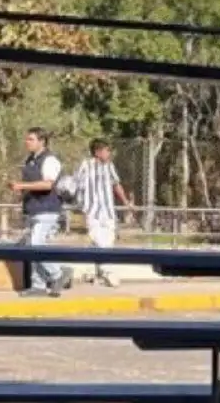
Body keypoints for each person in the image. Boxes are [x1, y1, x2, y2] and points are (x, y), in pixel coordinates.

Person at [9, 127, 71, 297]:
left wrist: (22, 186)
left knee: (36, 245)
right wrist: (20, 193)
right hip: (33, 209)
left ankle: (58, 273)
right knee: (33, 246)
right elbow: (32, 184)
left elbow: (47, 184)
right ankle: (38, 285)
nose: (27, 142)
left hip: (47, 209)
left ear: (42, 141)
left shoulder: (50, 160)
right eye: (27, 139)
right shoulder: (30, 160)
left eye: (31, 139)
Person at [75, 138, 133, 287]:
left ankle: (95, 271)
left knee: (108, 238)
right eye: (106, 150)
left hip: (107, 209)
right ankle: (108, 272)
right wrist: (81, 204)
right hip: (92, 209)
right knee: (98, 238)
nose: (109, 153)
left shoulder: (109, 166)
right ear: (97, 152)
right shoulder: (86, 165)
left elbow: (116, 184)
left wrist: (126, 202)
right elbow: (77, 184)